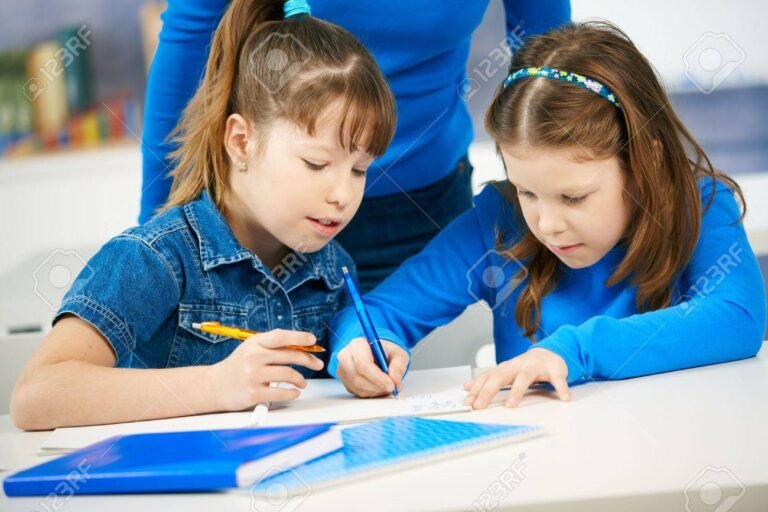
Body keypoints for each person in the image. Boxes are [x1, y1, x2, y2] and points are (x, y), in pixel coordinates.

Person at [328, 21, 766, 409]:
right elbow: (378, 310)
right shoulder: (497, 221)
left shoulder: (701, 206)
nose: (547, 225)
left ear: (643, 163)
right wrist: (362, 345)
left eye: (574, 197)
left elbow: (738, 317)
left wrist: (572, 351)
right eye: (526, 192)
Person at [10, 0, 396, 430]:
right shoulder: (155, 258)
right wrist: (216, 386)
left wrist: (356, 355)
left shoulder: (333, 267)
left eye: (360, 169)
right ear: (240, 141)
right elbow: (36, 396)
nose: (343, 195)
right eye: (316, 164)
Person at [140, 0, 572, 291]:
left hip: (425, 207)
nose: (343, 194)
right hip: (264, 219)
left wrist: (553, 201)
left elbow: (547, 51)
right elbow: (190, 35)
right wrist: (157, 236)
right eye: (316, 163)